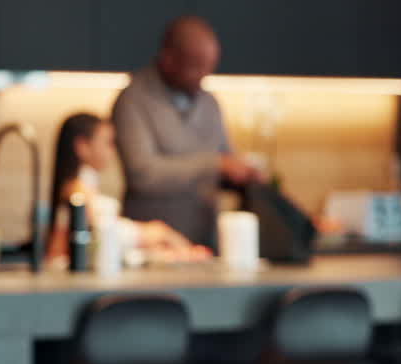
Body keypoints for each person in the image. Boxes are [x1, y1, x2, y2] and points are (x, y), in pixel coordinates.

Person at [111, 16, 261, 250]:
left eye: (209, 67)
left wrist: (240, 174)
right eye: (196, 66)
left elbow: (221, 168)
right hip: (153, 248)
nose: (204, 75)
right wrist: (215, 164)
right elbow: (143, 175)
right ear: (168, 59)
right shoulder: (133, 101)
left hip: (204, 243)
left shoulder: (210, 103)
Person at [46, 111, 211, 264]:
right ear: (83, 146)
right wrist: (155, 233)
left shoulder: (82, 188)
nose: (114, 151)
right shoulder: (77, 193)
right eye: (109, 143)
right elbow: (104, 237)